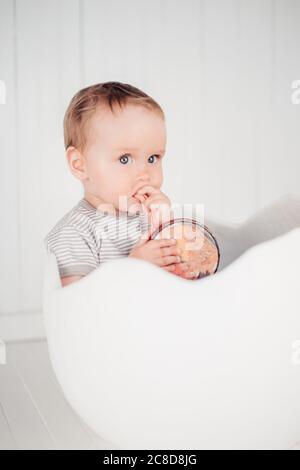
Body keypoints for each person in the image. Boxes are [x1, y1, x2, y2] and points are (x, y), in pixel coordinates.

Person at [44, 81, 198, 287]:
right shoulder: (74, 233)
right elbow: (77, 305)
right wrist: (132, 267)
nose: (145, 174)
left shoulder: (148, 217)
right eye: (124, 159)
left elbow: (179, 276)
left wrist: (166, 227)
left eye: (153, 158)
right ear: (80, 165)